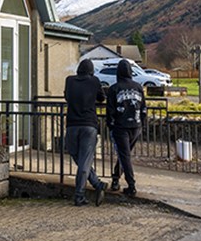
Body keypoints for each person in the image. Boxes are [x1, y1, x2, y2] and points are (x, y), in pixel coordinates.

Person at [63, 59, 107, 207]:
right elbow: (101, 98)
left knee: (77, 156)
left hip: (71, 125)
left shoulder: (69, 80)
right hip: (89, 125)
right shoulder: (94, 81)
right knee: (84, 161)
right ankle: (80, 194)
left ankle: (96, 184)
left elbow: (67, 97)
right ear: (91, 71)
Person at [106, 59, 147, 197]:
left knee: (125, 156)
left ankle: (131, 185)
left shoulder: (114, 89)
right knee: (125, 155)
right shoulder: (138, 87)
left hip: (120, 126)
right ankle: (116, 178)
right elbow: (143, 109)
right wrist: (141, 122)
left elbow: (110, 111)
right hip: (136, 126)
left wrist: (110, 125)